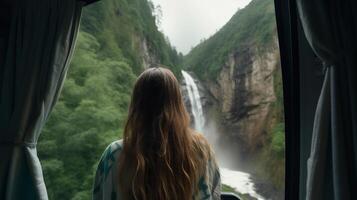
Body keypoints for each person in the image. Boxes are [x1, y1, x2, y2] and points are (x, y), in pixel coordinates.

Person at [92, 66, 221, 200]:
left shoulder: (114, 155)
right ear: (178, 105)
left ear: (136, 107)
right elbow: (215, 194)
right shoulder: (201, 150)